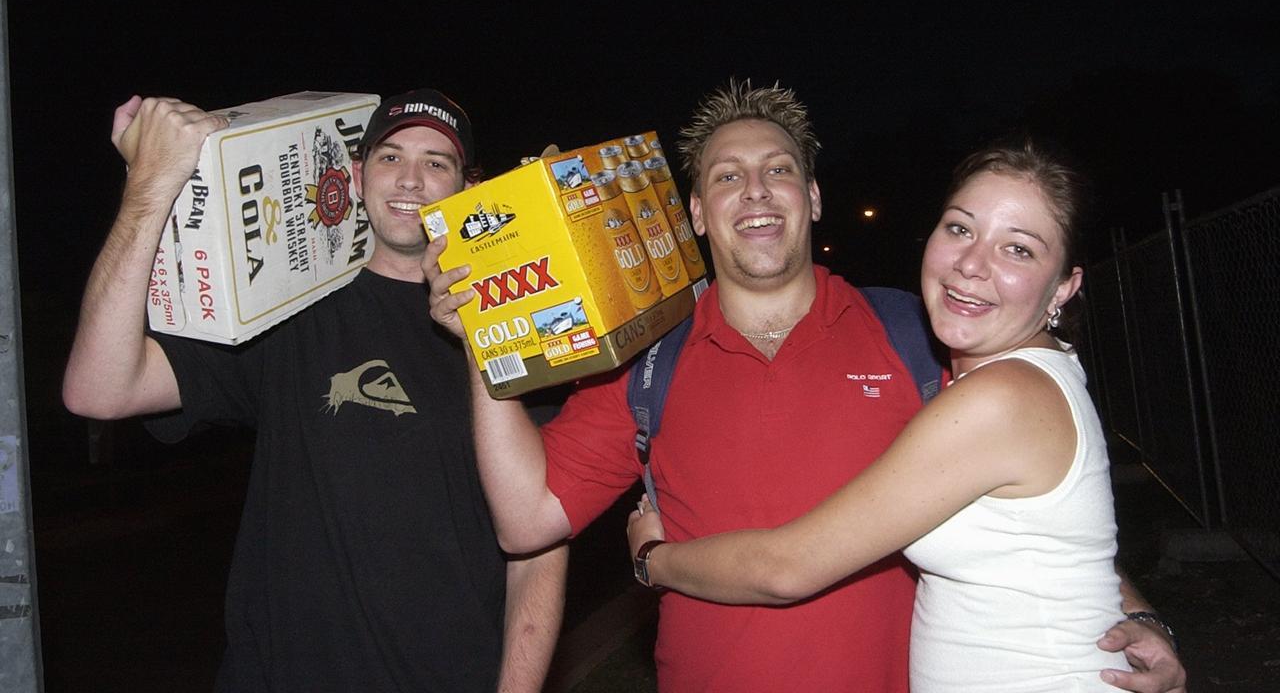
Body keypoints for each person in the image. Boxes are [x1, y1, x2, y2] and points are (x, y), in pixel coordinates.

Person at [425, 80, 1183, 692]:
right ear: (695, 213)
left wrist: (1140, 617)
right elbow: (525, 521)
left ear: (813, 198)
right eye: (727, 177)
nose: (755, 192)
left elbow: (1029, 525)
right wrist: (482, 350)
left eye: (778, 170)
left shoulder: (921, 337)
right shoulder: (647, 363)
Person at [624, 136, 1187, 691]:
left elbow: (787, 567)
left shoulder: (999, 399)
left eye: (1018, 248)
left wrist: (655, 559)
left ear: (1065, 285)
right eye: (961, 228)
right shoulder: (1026, 374)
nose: (971, 264)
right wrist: (1142, 615)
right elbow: (1056, 550)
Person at [62, 89, 567, 692]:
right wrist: (150, 185)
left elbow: (539, 546)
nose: (411, 178)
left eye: (438, 163)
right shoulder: (284, 309)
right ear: (355, 175)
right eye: (389, 157)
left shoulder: (516, 324)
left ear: (467, 187)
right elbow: (99, 389)